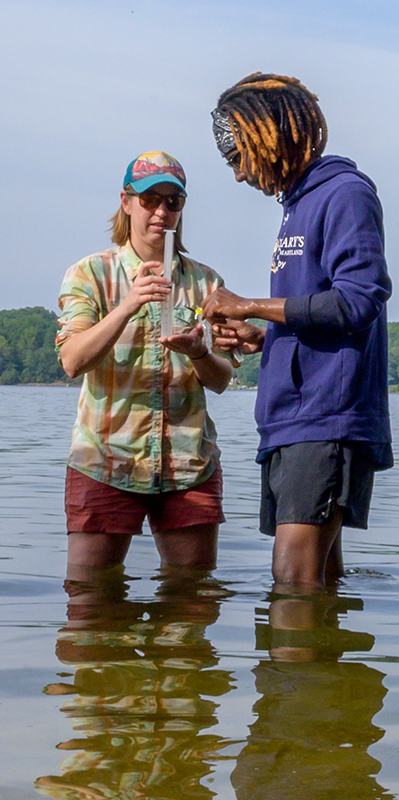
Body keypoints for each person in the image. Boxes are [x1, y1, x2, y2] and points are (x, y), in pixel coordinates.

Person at [202, 73, 392, 593]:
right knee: (316, 582)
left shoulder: (345, 194)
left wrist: (250, 304)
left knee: (292, 583)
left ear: (270, 136)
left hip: (327, 417)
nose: (239, 175)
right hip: (293, 418)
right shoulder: (297, 207)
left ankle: (296, 674)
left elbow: (360, 298)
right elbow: (319, 314)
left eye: (238, 156)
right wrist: (265, 338)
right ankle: (330, 672)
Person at [56, 152, 235, 581]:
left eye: (173, 202)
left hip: (188, 466)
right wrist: (128, 307)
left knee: (189, 605)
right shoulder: (89, 274)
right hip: (105, 461)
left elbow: (223, 379)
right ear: (127, 201)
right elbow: (72, 361)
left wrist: (198, 353)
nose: (161, 212)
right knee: (88, 604)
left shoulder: (206, 283)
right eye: (150, 199)